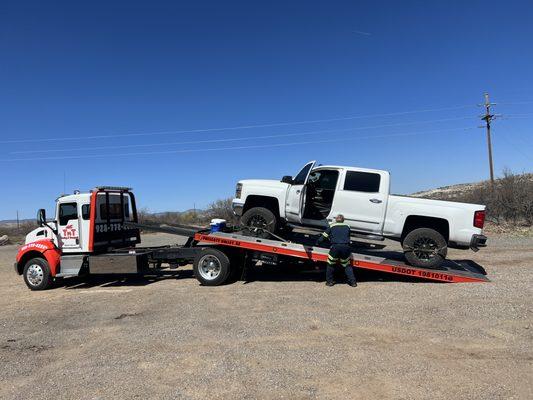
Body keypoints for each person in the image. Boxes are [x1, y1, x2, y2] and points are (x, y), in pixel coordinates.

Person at [316, 214, 357, 287]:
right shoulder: (347, 226)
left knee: (330, 264)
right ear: (343, 220)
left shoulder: (332, 226)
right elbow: (348, 235)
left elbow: (324, 236)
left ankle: (329, 282)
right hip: (345, 247)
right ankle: (353, 282)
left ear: (336, 220)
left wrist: (317, 242)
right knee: (346, 265)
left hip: (335, 247)